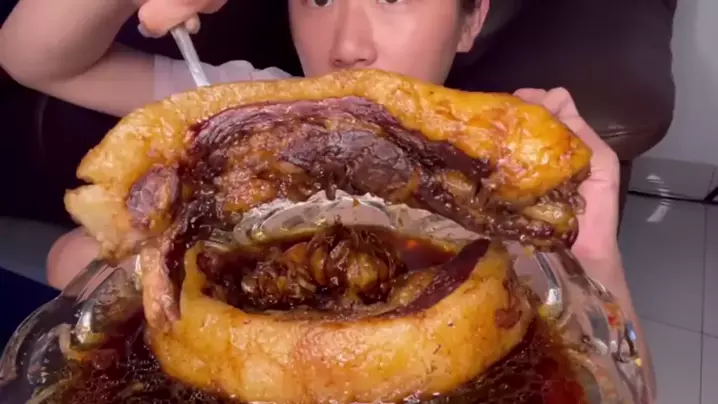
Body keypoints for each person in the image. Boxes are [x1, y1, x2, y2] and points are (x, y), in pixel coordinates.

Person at [0, 0, 655, 398]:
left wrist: (597, 256)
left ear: (471, 18)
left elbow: (608, 379)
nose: (348, 45)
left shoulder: (500, 178)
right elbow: (35, 59)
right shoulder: (240, 113)